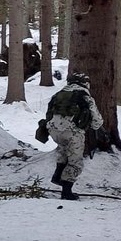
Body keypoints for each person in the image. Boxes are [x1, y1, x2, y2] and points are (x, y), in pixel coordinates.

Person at [43, 71, 106, 201]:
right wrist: (96, 127)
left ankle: (57, 176)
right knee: (75, 162)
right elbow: (97, 120)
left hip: (53, 130)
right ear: (85, 83)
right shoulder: (85, 96)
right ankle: (67, 192)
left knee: (63, 151)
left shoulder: (58, 94)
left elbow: (49, 113)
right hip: (72, 132)